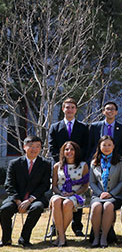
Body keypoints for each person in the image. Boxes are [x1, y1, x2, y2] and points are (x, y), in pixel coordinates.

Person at [47, 97, 88, 237]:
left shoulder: (83, 127)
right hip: (61, 167)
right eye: (67, 107)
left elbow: (86, 146)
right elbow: (52, 147)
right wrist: (61, 162)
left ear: (76, 110)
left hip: (77, 166)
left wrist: (76, 162)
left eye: (72, 107)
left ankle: (77, 227)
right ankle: (55, 227)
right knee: (59, 197)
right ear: (63, 109)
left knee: (76, 192)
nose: (69, 110)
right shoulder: (55, 127)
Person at [0, 135, 50, 247]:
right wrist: (18, 201)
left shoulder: (45, 164)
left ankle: (24, 238)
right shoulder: (14, 163)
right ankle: (6, 239)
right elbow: (9, 184)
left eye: (37, 146)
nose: (34, 149)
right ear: (24, 147)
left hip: (35, 198)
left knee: (37, 208)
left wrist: (30, 200)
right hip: (16, 198)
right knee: (4, 209)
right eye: (31, 146)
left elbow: (45, 185)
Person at [88, 135, 122, 248]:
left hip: (115, 195)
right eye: (104, 145)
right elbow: (92, 182)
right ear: (99, 147)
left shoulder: (120, 161)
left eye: (109, 145)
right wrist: (100, 193)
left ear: (113, 146)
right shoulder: (94, 162)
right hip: (98, 195)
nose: (107, 147)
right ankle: (96, 236)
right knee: (96, 206)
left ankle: (104, 237)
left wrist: (111, 193)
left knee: (108, 206)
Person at [49, 141, 89, 247]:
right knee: (56, 201)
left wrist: (73, 193)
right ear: (63, 152)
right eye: (66, 149)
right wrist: (61, 193)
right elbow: (54, 186)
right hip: (60, 193)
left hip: (76, 195)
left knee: (67, 203)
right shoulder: (57, 166)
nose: (69, 151)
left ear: (76, 151)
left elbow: (85, 186)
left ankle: (60, 236)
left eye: (72, 149)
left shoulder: (83, 166)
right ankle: (62, 236)